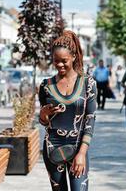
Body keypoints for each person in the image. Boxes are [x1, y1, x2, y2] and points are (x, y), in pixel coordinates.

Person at [38, 30, 97, 191]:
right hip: (53, 148)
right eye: (56, 61)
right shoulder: (46, 85)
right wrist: (43, 115)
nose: (59, 65)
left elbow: (90, 119)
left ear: (74, 57)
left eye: (64, 61)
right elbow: (44, 122)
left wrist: (82, 153)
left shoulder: (88, 83)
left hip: (78, 146)